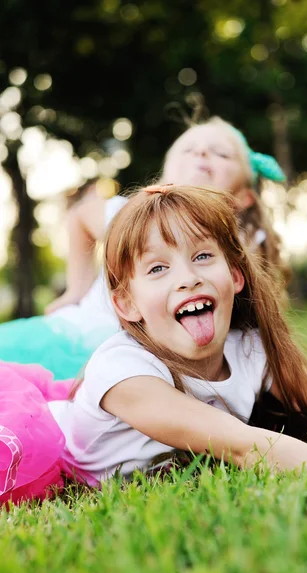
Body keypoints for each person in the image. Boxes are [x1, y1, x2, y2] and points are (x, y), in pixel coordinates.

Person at [1, 184, 307, 505]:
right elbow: (242, 445)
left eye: (203, 255)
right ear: (126, 303)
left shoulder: (247, 348)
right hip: (49, 448)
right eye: (158, 268)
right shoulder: (123, 371)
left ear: (236, 276)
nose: (188, 278)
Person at [0, 116, 287, 379]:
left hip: (138, 367)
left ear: (244, 198)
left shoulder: (238, 244)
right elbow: (79, 217)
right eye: (188, 150)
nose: (201, 154)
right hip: (72, 336)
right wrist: (77, 289)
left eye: (222, 154)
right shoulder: (130, 218)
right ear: (164, 180)